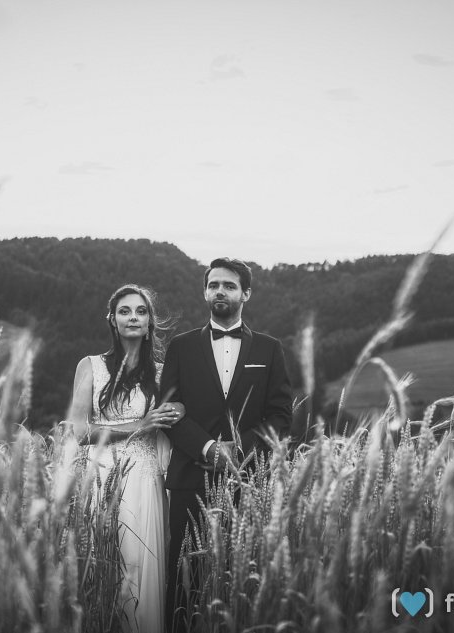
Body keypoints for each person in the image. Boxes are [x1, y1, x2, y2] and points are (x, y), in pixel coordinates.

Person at [160, 257, 293, 631]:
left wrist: (238, 451)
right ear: (205, 292)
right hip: (189, 480)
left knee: (243, 578)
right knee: (184, 579)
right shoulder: (181, 347)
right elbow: (168, 411)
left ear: (246, 294)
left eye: (229, 285)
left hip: (248, 483)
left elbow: (281, 417)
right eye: (214, 285)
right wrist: (207, 448)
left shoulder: (269, 349)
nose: (220, 291)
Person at [63, 284, 183, 633]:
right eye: (125, 311)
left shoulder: (162, 372)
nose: (133, 317)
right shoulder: (90, 366)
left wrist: (177, 411)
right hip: (99, 476)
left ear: (149, 323)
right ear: (112, 320)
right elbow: (80, 431)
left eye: (141, 311)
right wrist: (139, 425)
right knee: (100, 564)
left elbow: (177, 414)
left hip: (144, 479)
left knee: (138, 567)